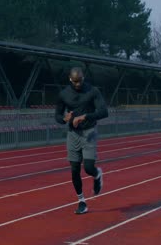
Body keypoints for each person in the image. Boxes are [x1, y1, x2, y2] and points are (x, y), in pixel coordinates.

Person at [55, 67, 109, 214]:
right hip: (73, 134)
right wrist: (63, 119)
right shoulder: (64, 94)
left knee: (88, 167)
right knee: (74, 170)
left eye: (80, 81)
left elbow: (104, 112)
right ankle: (81, 202)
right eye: (75, 82)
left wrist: (84, 116)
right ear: (70, 79)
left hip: (89, 132)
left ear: (83, 78)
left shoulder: (92, 91)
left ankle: (97, 174)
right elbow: (58, 115)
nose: (78, 84)